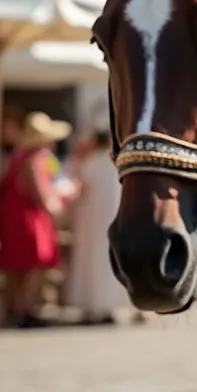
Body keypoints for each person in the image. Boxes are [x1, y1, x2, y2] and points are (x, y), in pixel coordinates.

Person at [0, 111, 76, 328]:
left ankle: (14, 310)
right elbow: (41, 194)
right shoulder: (35, 159)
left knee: (17, 266)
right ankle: (24, 310)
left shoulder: (17, 156)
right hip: (30, 218)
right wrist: (61, 208)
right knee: (35, 263)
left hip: (14, 216)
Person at [65, 111, 133, 325]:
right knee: (105, 261)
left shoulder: (93, 163)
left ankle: (96, 305)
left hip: (92, 222)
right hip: (104, 220)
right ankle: (106, 304)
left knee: (93, 262)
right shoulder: (117, 163)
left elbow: (78, 187)